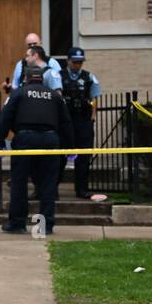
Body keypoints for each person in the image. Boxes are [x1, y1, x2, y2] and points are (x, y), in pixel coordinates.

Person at [0, 63, 74, 234]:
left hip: (25, 139)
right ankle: (45, 225)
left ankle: (17, 223)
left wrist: (0, 141)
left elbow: (5, 117)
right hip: (50, 140)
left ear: (25, 78)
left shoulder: (18, 94)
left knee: (19, 183)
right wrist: (69, 147)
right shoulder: (54, 96)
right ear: (42, 78)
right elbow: (66, 122)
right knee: (48, 184)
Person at [60, 46, 101, 198]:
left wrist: (92, 117)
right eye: (75, 62)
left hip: (83, 121)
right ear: (68, 61)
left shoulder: (89, 77)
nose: (78, 65)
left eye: (80, 62)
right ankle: (53, 188)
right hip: (65, 122)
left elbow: (94, 98)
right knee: (60, 156)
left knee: (83, 157)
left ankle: (81, 189)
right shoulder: (59, 76)